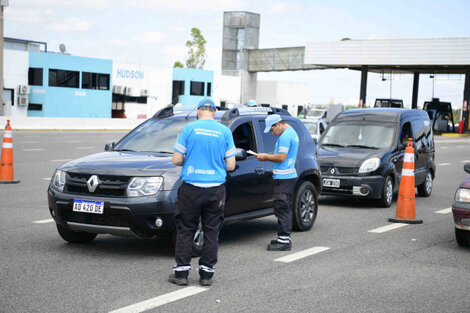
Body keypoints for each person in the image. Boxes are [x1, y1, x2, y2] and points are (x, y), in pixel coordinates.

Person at [169, 98, 236, 287]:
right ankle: (206, 275)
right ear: (215, 113)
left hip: (191, 188)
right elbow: (230, 165)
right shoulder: (224, 131)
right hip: (215, 189)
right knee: (211, 231)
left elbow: (175, 160)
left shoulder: (188, 129)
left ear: (198, 111)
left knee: (186, 230)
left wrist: (188, 161)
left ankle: (181, 274)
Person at [256, 114, 299, 251]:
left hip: (284, 177)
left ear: (278, 124)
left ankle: (284, 242)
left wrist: (264, 157)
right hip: (288, 176)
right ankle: (283, 238)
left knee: (282, 208)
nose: (271, 133)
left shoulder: (285, 136)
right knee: (285, 207)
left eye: (272, 129)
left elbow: (281, 157)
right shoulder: (292, 132)